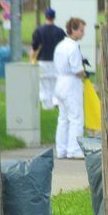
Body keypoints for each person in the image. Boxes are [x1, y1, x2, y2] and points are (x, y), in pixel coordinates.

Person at [52, 17, 87, 160]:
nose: (83, 33)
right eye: (81, 30)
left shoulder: (60, 46)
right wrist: (85, 74)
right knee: (76, 118)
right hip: (71, 84)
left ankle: (61, 149)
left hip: (60, 82)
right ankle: (74, 149)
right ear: (73, 30)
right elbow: (77, 70)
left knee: (63, 118)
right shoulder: (73, 47)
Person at [30, 8, 66, 110]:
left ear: (45, 17)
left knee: (44, 83)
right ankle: (56, 101)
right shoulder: (59, 31)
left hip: (43, 61)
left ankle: (47, 105)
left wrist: (31, 60)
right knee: (56, 82)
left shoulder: (39, 31)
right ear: (54, 17)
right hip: (56, 61)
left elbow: (34, 47)